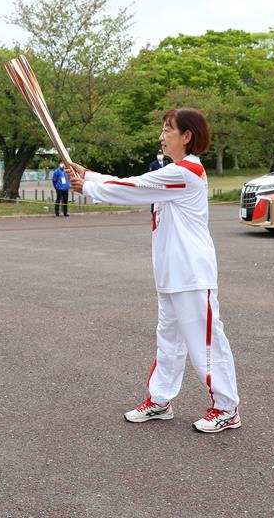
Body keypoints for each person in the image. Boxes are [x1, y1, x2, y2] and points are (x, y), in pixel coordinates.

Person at [68, 108, 240, 434]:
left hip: (191, 274)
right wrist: (87, 175)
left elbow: (134, 187)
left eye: (167, 130)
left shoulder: (186, 172)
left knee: (206, 344)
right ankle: (160, 400)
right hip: (170, 273)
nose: (162, 137)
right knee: (169, 342)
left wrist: (87, 185)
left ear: (187, 136)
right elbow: (137, 184)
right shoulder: (174, 172)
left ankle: (227, 407)